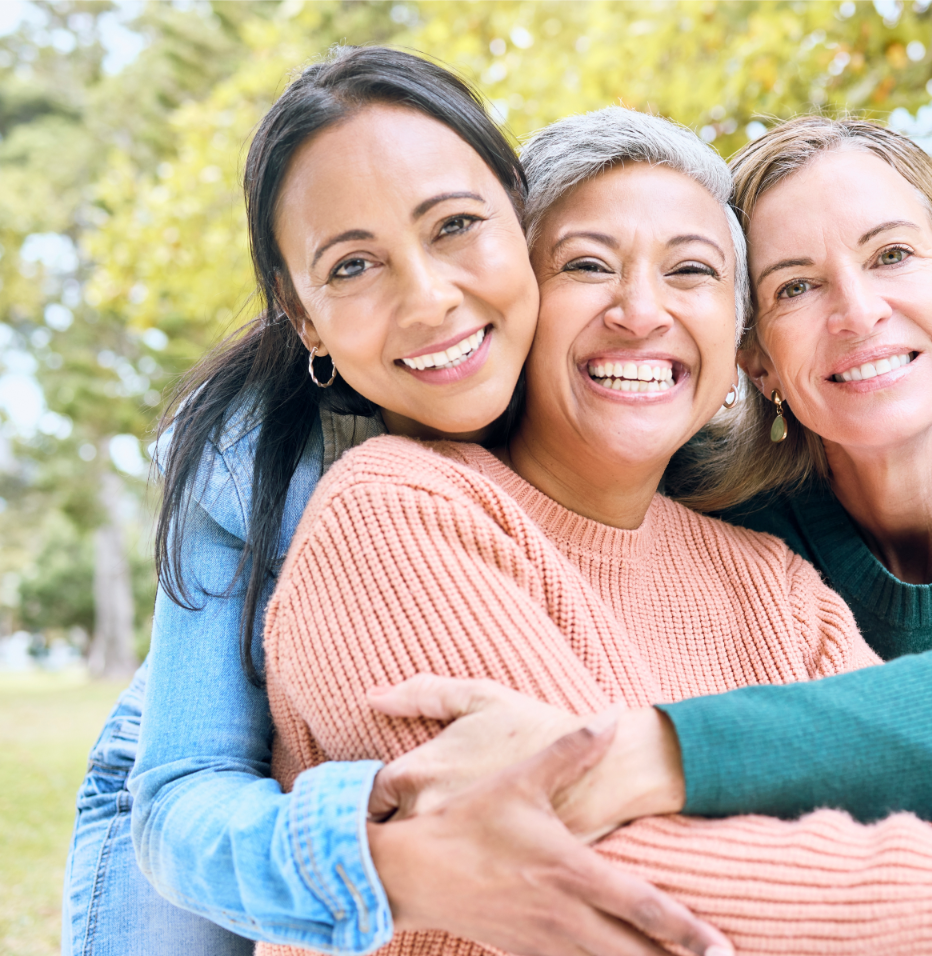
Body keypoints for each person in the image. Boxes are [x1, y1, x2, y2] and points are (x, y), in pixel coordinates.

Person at [259, 106, 932, 956]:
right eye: (586, 264)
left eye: (689, 270)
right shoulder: (399, 508)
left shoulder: (764, 568)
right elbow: (604, 875)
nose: (642, 308)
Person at [65, 47, 730, 956]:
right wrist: (382, 859)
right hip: (203, 791)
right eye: (349, 268)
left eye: (455, 224)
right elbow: (184, 793)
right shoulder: (249, 455)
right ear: (306, 320)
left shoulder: (621, 386)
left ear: (518, 215)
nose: (429, 301)